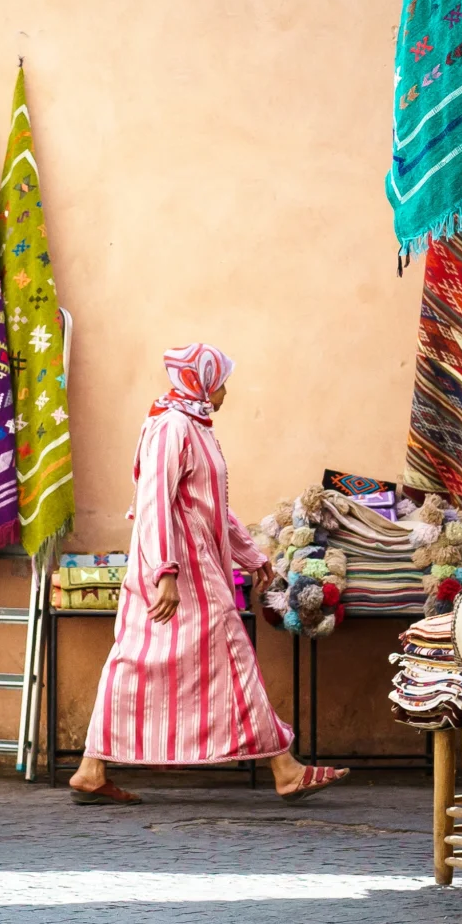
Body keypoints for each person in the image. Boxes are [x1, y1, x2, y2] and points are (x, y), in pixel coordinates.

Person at [69, 344, 349, 806]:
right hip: (180, 566)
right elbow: (155, 501)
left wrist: (251, 555)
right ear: (200, 382)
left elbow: (212, 505)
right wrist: (166, 573)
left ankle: (90, 768)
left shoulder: (194, 427)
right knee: (227, 650)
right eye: (219, 381)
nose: (224, 391)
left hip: (191, 563)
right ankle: (286, 768)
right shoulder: (171, 427)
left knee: (136, 659)